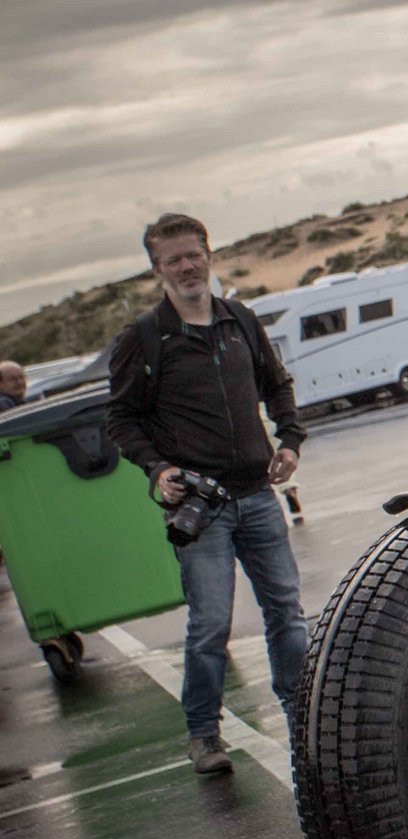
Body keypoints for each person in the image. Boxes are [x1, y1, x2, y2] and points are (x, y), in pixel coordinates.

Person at [104, 213, 308, 776]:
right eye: (174, 259)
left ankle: (302, 719)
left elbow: (277, 384)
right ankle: (203, 735)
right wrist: (156, 468)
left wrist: (289, 439)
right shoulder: (145, 338)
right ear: (157, 270)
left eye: (194, 254)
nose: (187, 266)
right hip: (201, 508)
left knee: (287, 615)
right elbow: (120, 419)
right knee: (211, 624)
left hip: (259, 497)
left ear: (208, 255)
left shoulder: (239, 319)